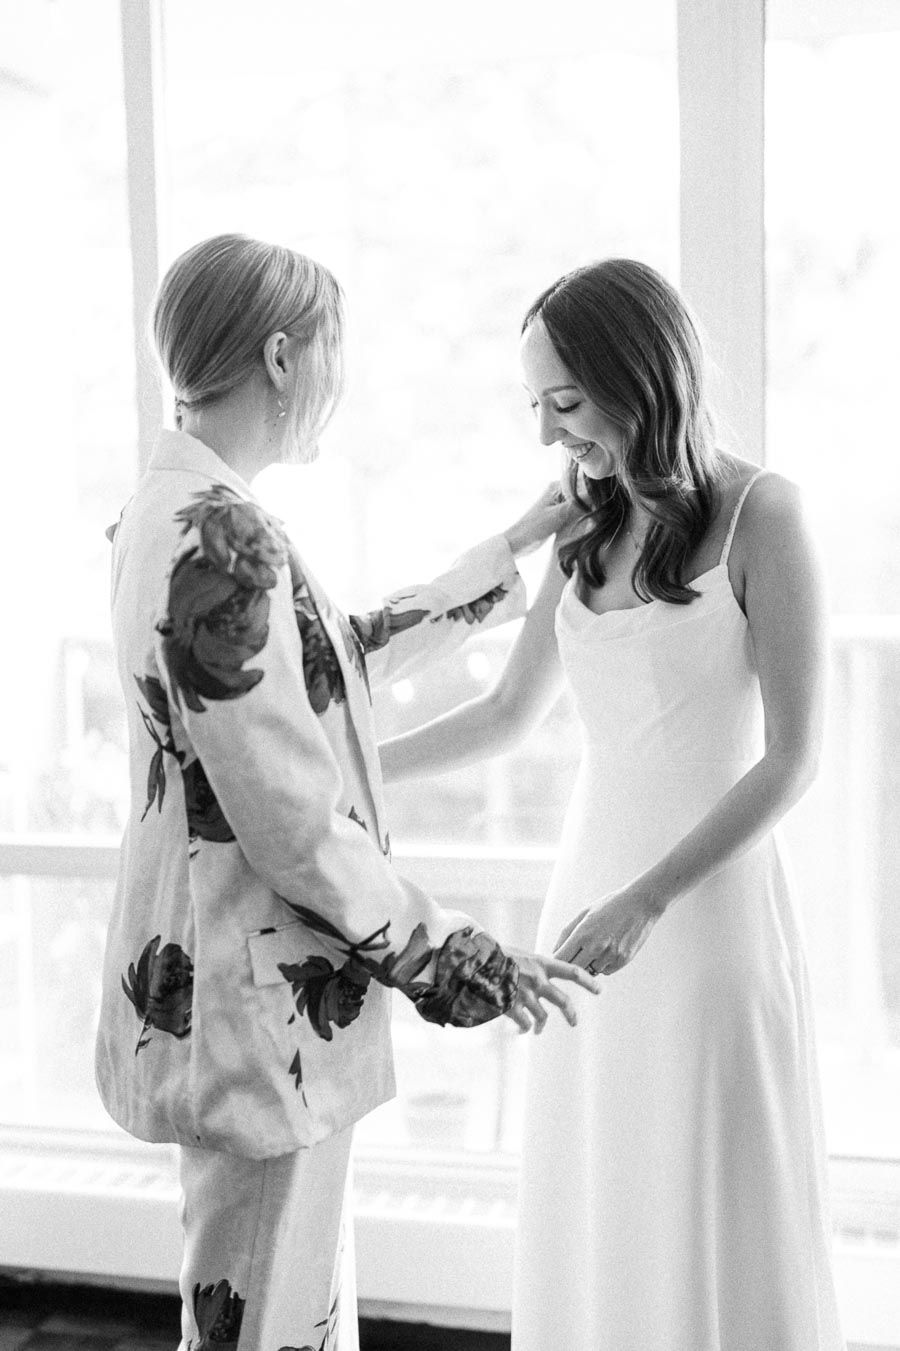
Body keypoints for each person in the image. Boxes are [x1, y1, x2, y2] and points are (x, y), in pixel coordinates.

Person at [94, 233, 596, 1351]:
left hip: (236, 996)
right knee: (266, 1327)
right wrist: (457, 958)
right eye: (331, 354)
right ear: (280, 357)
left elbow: (326, 663)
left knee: (265, 1313)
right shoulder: (221, 540)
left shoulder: (175, 514)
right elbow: (294, 827)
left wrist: (503, 554)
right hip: (257, 1010)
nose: (338, 383)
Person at [380, 259, 846, 1350]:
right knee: (605, 1189)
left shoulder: (765, 514)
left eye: (567, 404)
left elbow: (796, 757)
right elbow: (504, 714)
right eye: (535, 406)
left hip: (703, 910)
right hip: (583, 899)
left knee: (707, 1186)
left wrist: (648, 898)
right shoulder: (587, 527)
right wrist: (347, 772)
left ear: (641, 378)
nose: (549, 435)